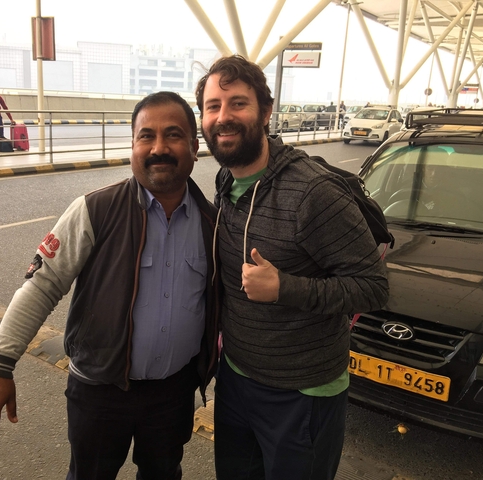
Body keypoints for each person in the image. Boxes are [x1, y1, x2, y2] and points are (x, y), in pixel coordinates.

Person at [0, 91, 219, 480]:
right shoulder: (94, 209)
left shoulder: (212, 223)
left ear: (194, 146)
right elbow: (42, 285)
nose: (158, 148)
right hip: (100, 393)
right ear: (132, 145)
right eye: (145, 136)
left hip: (174, 394)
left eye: (173, 135)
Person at [195, 55, 389, 480]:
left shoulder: (312, 192)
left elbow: (373, 288)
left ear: (265, 111)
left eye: (238, 104)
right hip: (238, 380)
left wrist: (286, 287)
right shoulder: (227, 181)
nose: (223, 117)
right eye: (213, 106)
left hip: (303, 393)